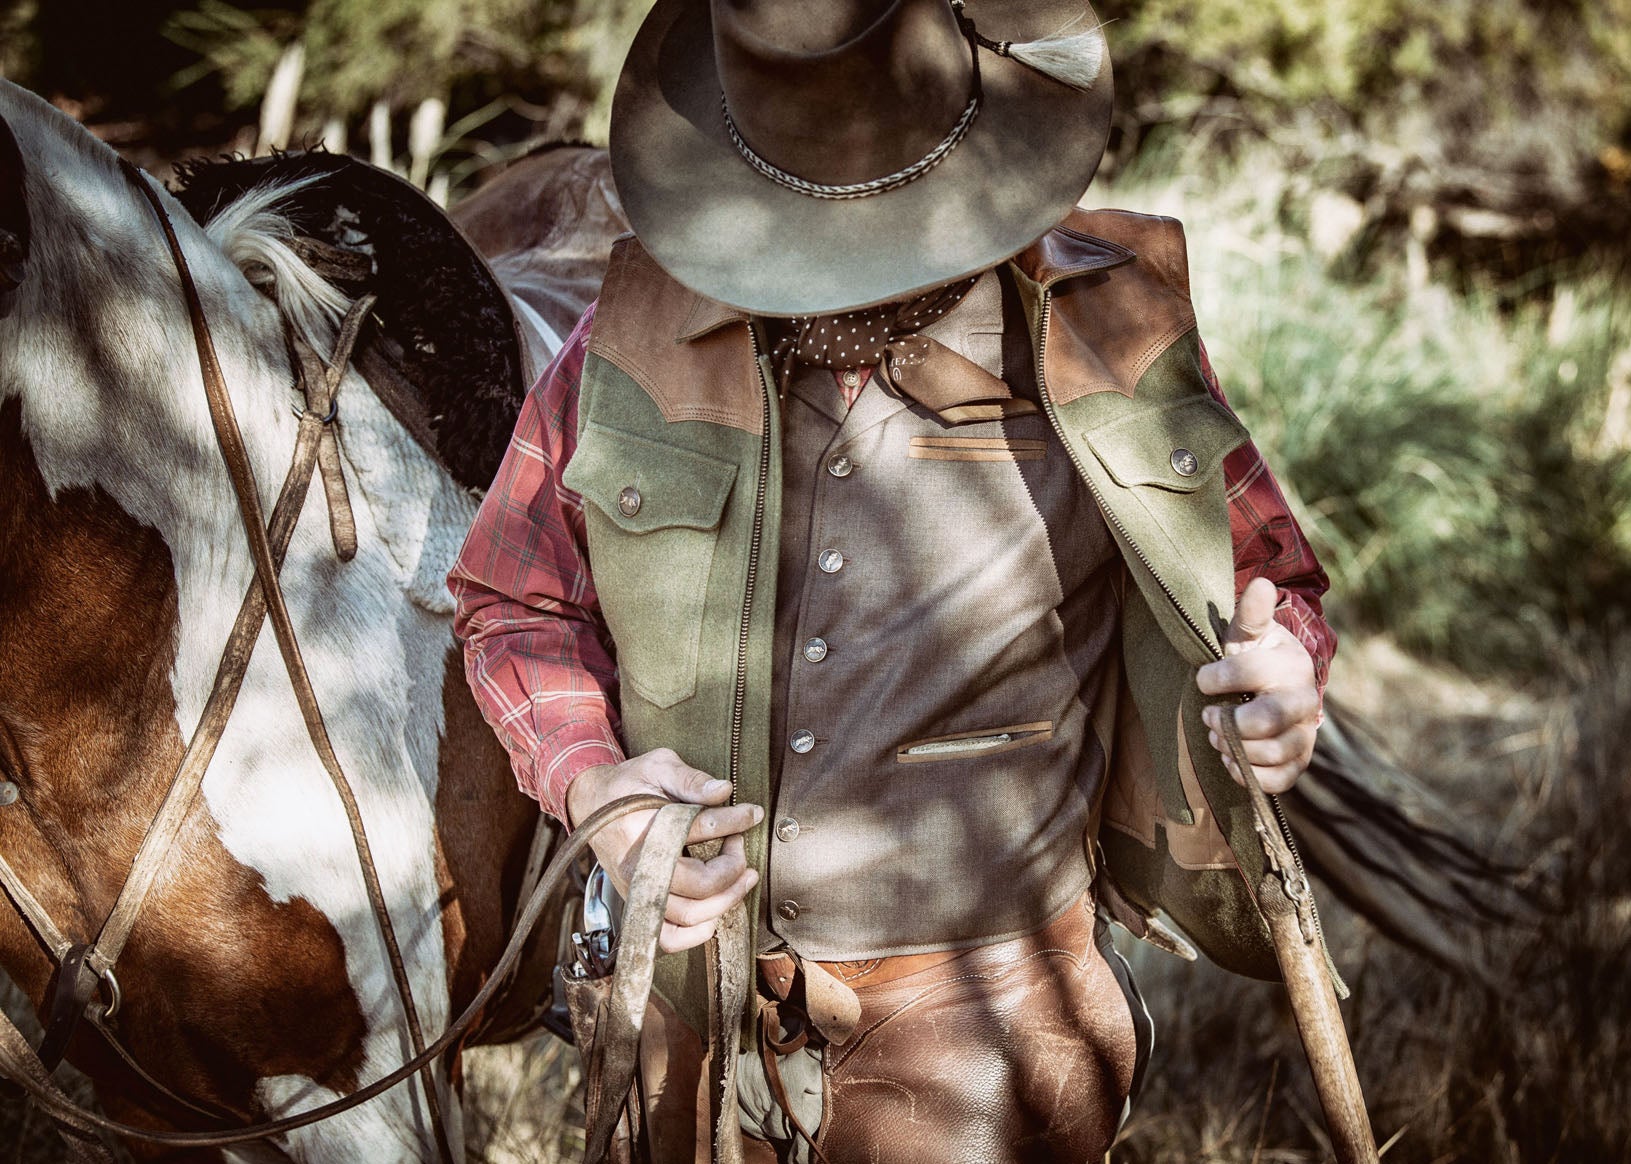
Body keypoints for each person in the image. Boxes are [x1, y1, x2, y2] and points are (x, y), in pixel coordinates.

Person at [449, 1, 1336, 1159]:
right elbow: (516, 602)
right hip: (685, 1021)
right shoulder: (627, 340)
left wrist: (1284, 677)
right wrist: (592, 785)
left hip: (988, 1018)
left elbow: (1273, 583)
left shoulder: (1111, 329)